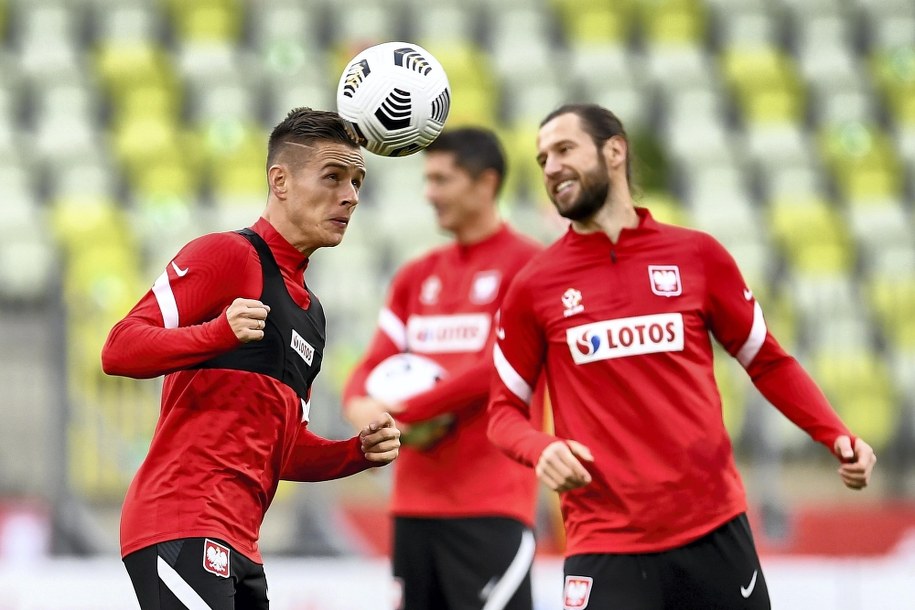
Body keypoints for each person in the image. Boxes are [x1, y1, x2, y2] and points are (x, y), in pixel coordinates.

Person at [486, 103, 878, 610]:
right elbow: (502, 413)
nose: (551, 167)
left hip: (714, 530)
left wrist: (836, 435)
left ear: (615, 151)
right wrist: (540, 448)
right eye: (541, 160)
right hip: (606, 544)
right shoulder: (533, 287)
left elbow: (768, 361)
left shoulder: (697, 256)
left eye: (564, 149)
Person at [101, 107, 401, 609]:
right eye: (332, 176)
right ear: (279, 181)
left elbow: (281, 449)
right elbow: (119, 348)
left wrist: (355, 454)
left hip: (241, 542)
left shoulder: (311, 315)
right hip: (182, 520)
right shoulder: (228, 255)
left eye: (357, 181)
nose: (349, 196)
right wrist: (215, 333)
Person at [342, 127, 545, 610]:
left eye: (442, 180)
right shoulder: (416, 276)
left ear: (485, 183)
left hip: (490, 505)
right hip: (413, 507)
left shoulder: (530, 267)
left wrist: (406, 411)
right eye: (427, 180)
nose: (429, 193)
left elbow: (500, 366)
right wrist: (361, 406)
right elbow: (370, 365)